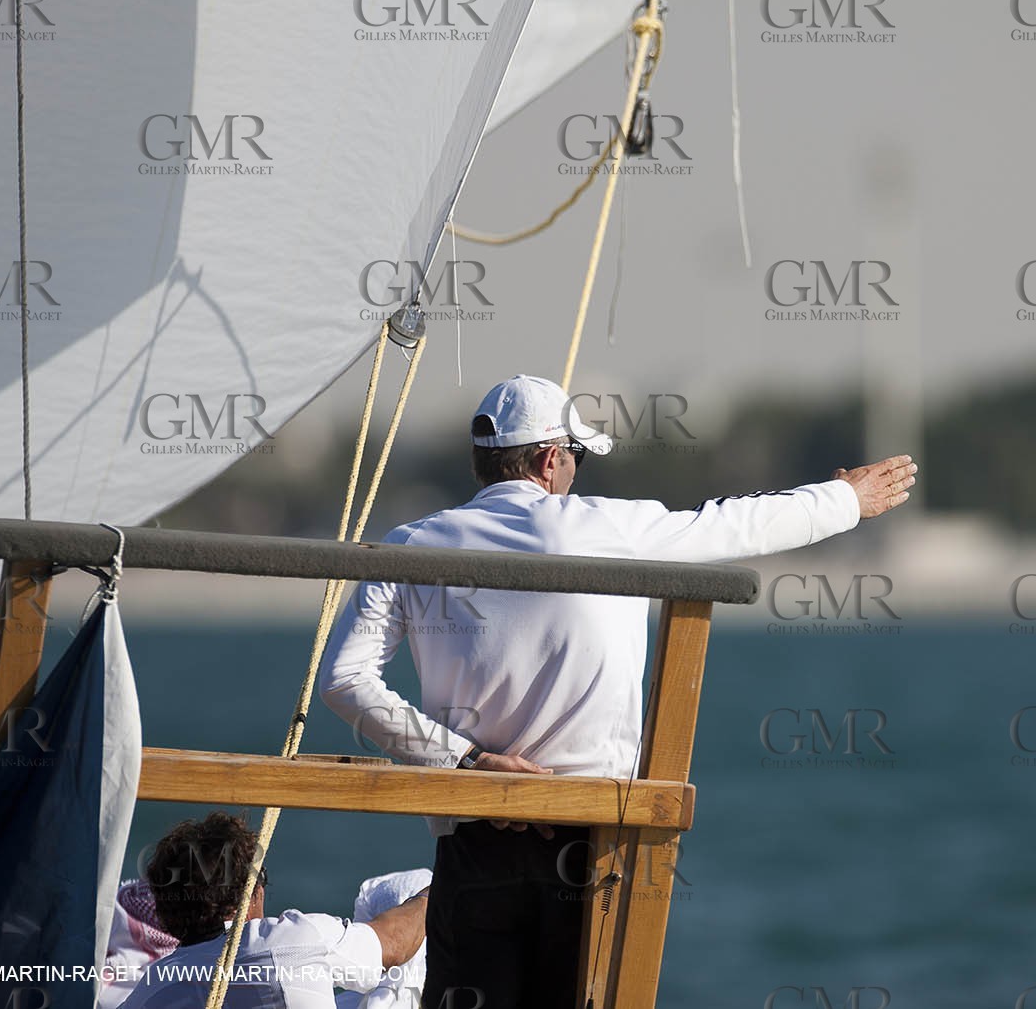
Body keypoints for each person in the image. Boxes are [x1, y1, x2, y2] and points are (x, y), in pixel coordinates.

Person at [319, 373, 917, 1009]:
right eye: (574, 456)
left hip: (474, 833)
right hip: (593, 836)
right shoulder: (613, 528)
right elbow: (740, 524)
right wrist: (845, 499)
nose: (575, 471)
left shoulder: (410, 544)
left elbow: (344, 682)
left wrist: (466, 760)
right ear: (551, 459)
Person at [117, 813, 430, 1009]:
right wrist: (448, 882)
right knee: (407, 887)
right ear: (253, 893)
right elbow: (395, 943)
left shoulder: (151, 988)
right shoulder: (290, 941)